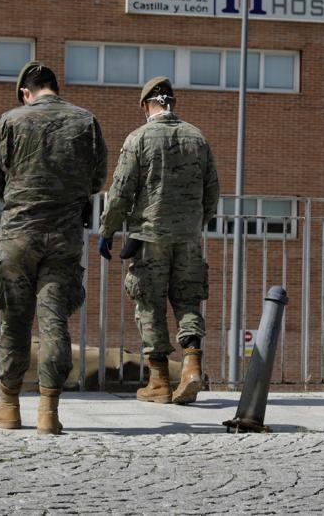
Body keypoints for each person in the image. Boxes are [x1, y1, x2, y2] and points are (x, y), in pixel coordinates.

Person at [0, 61, 106, 435]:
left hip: (19, 235)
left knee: (15, 322)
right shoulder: (86, 122)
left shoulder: (10, 121)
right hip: (65, 234)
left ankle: (8, 405)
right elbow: (98, 180)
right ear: (54, 86)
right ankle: (49, 412)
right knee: (54, 323)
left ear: (26, 92)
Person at [99, 76, 219, 405]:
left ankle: (159, 381)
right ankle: (192, 367)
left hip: (149, 237)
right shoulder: (197, 138)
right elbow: (213, 192)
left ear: (145, 105)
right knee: (188, 301)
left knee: (149, 304)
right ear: (173, 103)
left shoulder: (138, 139)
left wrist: (108, 229)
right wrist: (197, 223)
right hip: (189, 238)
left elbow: (121, 192)